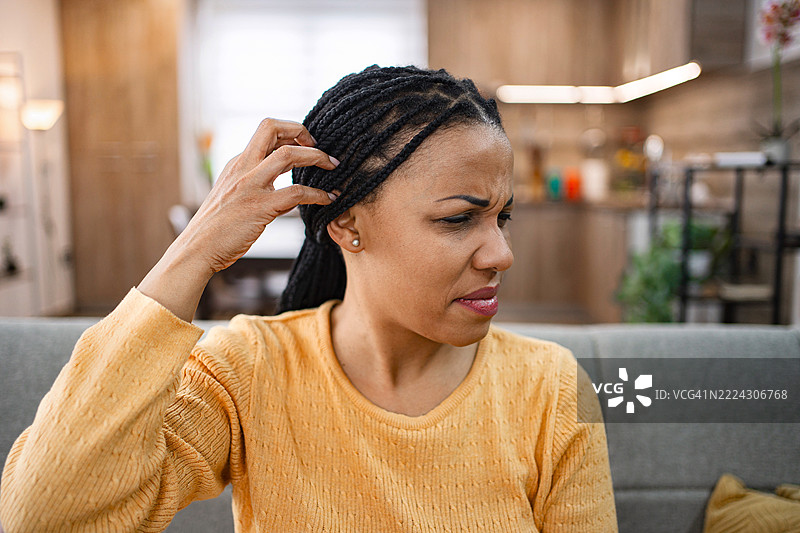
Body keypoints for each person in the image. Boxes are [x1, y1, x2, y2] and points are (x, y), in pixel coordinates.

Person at [0, 65, 617, 532]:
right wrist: (192, 252)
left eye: (502, 218)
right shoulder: (248, 370)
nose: (500, 253)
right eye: (460, 219)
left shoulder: (551, 388)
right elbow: (41, 515)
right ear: (348, 224)